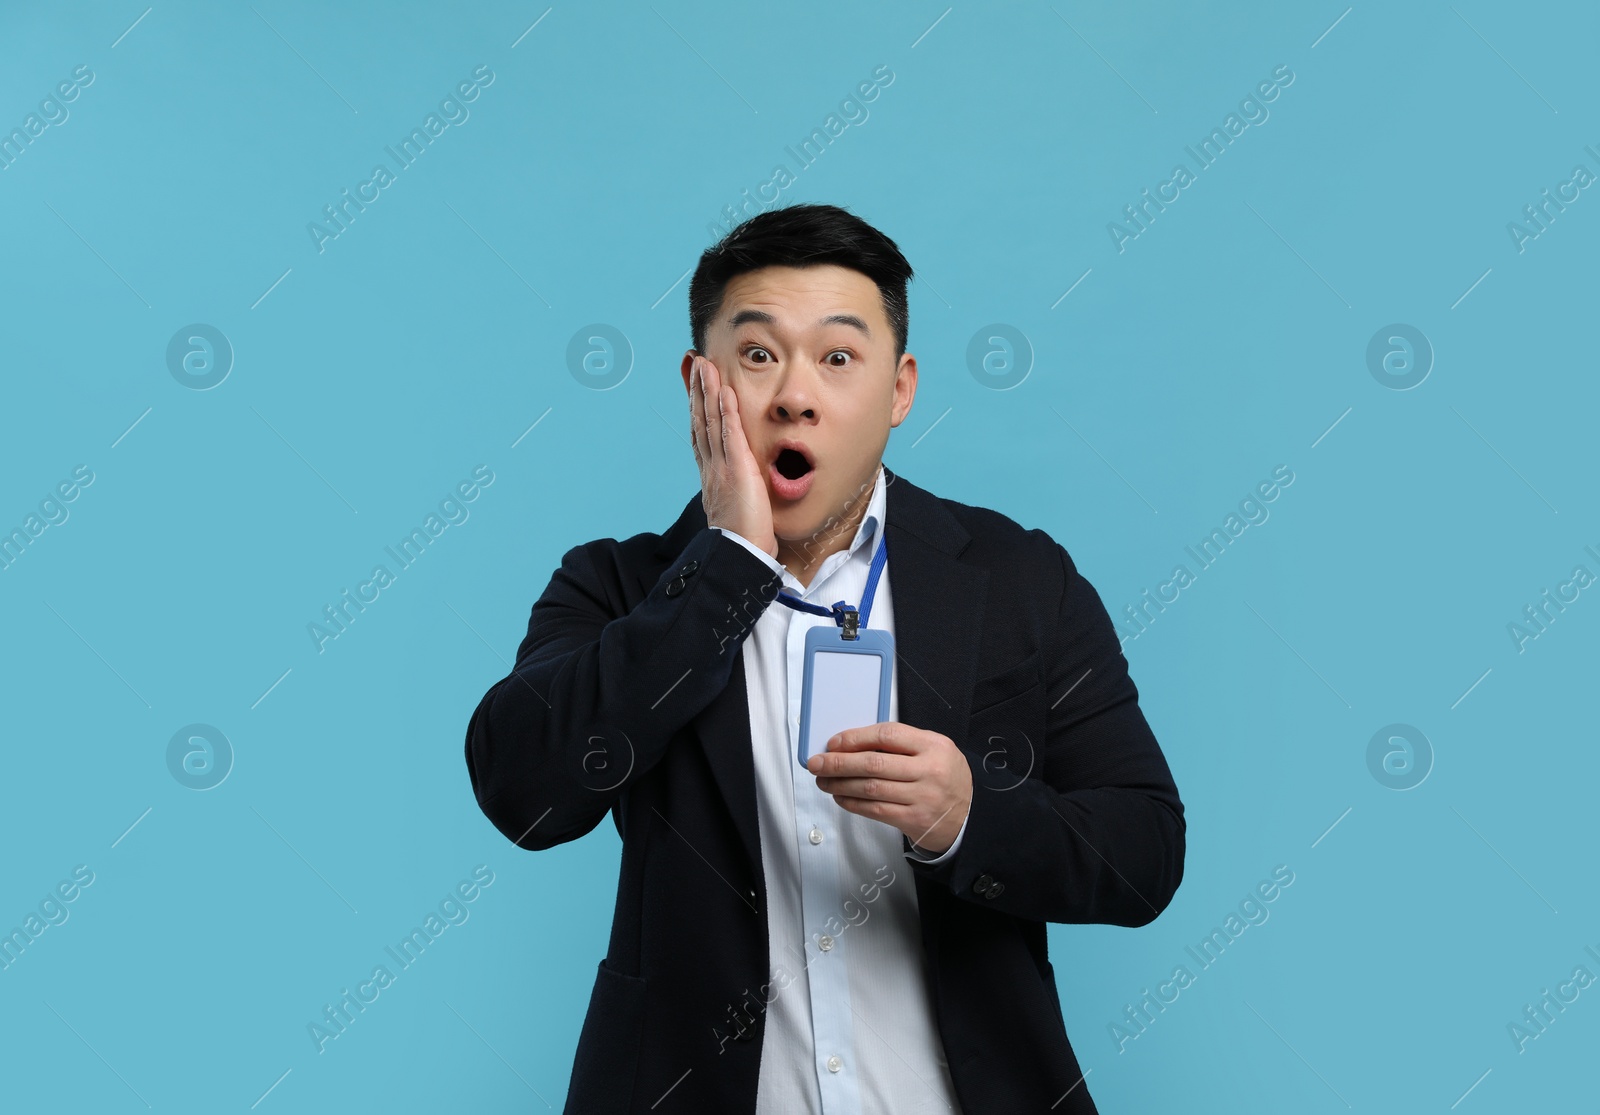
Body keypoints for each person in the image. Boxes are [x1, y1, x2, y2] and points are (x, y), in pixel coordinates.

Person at [463, 203, 1185, 1114]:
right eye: (758, 355)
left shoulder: (1020, 580)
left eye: (838, 358)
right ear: (700, 383)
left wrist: (971, 815)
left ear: (899, 389)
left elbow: (1145, 852)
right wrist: (725, 567)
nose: (794, 396)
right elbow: (523, 794)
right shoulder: (619, 587)